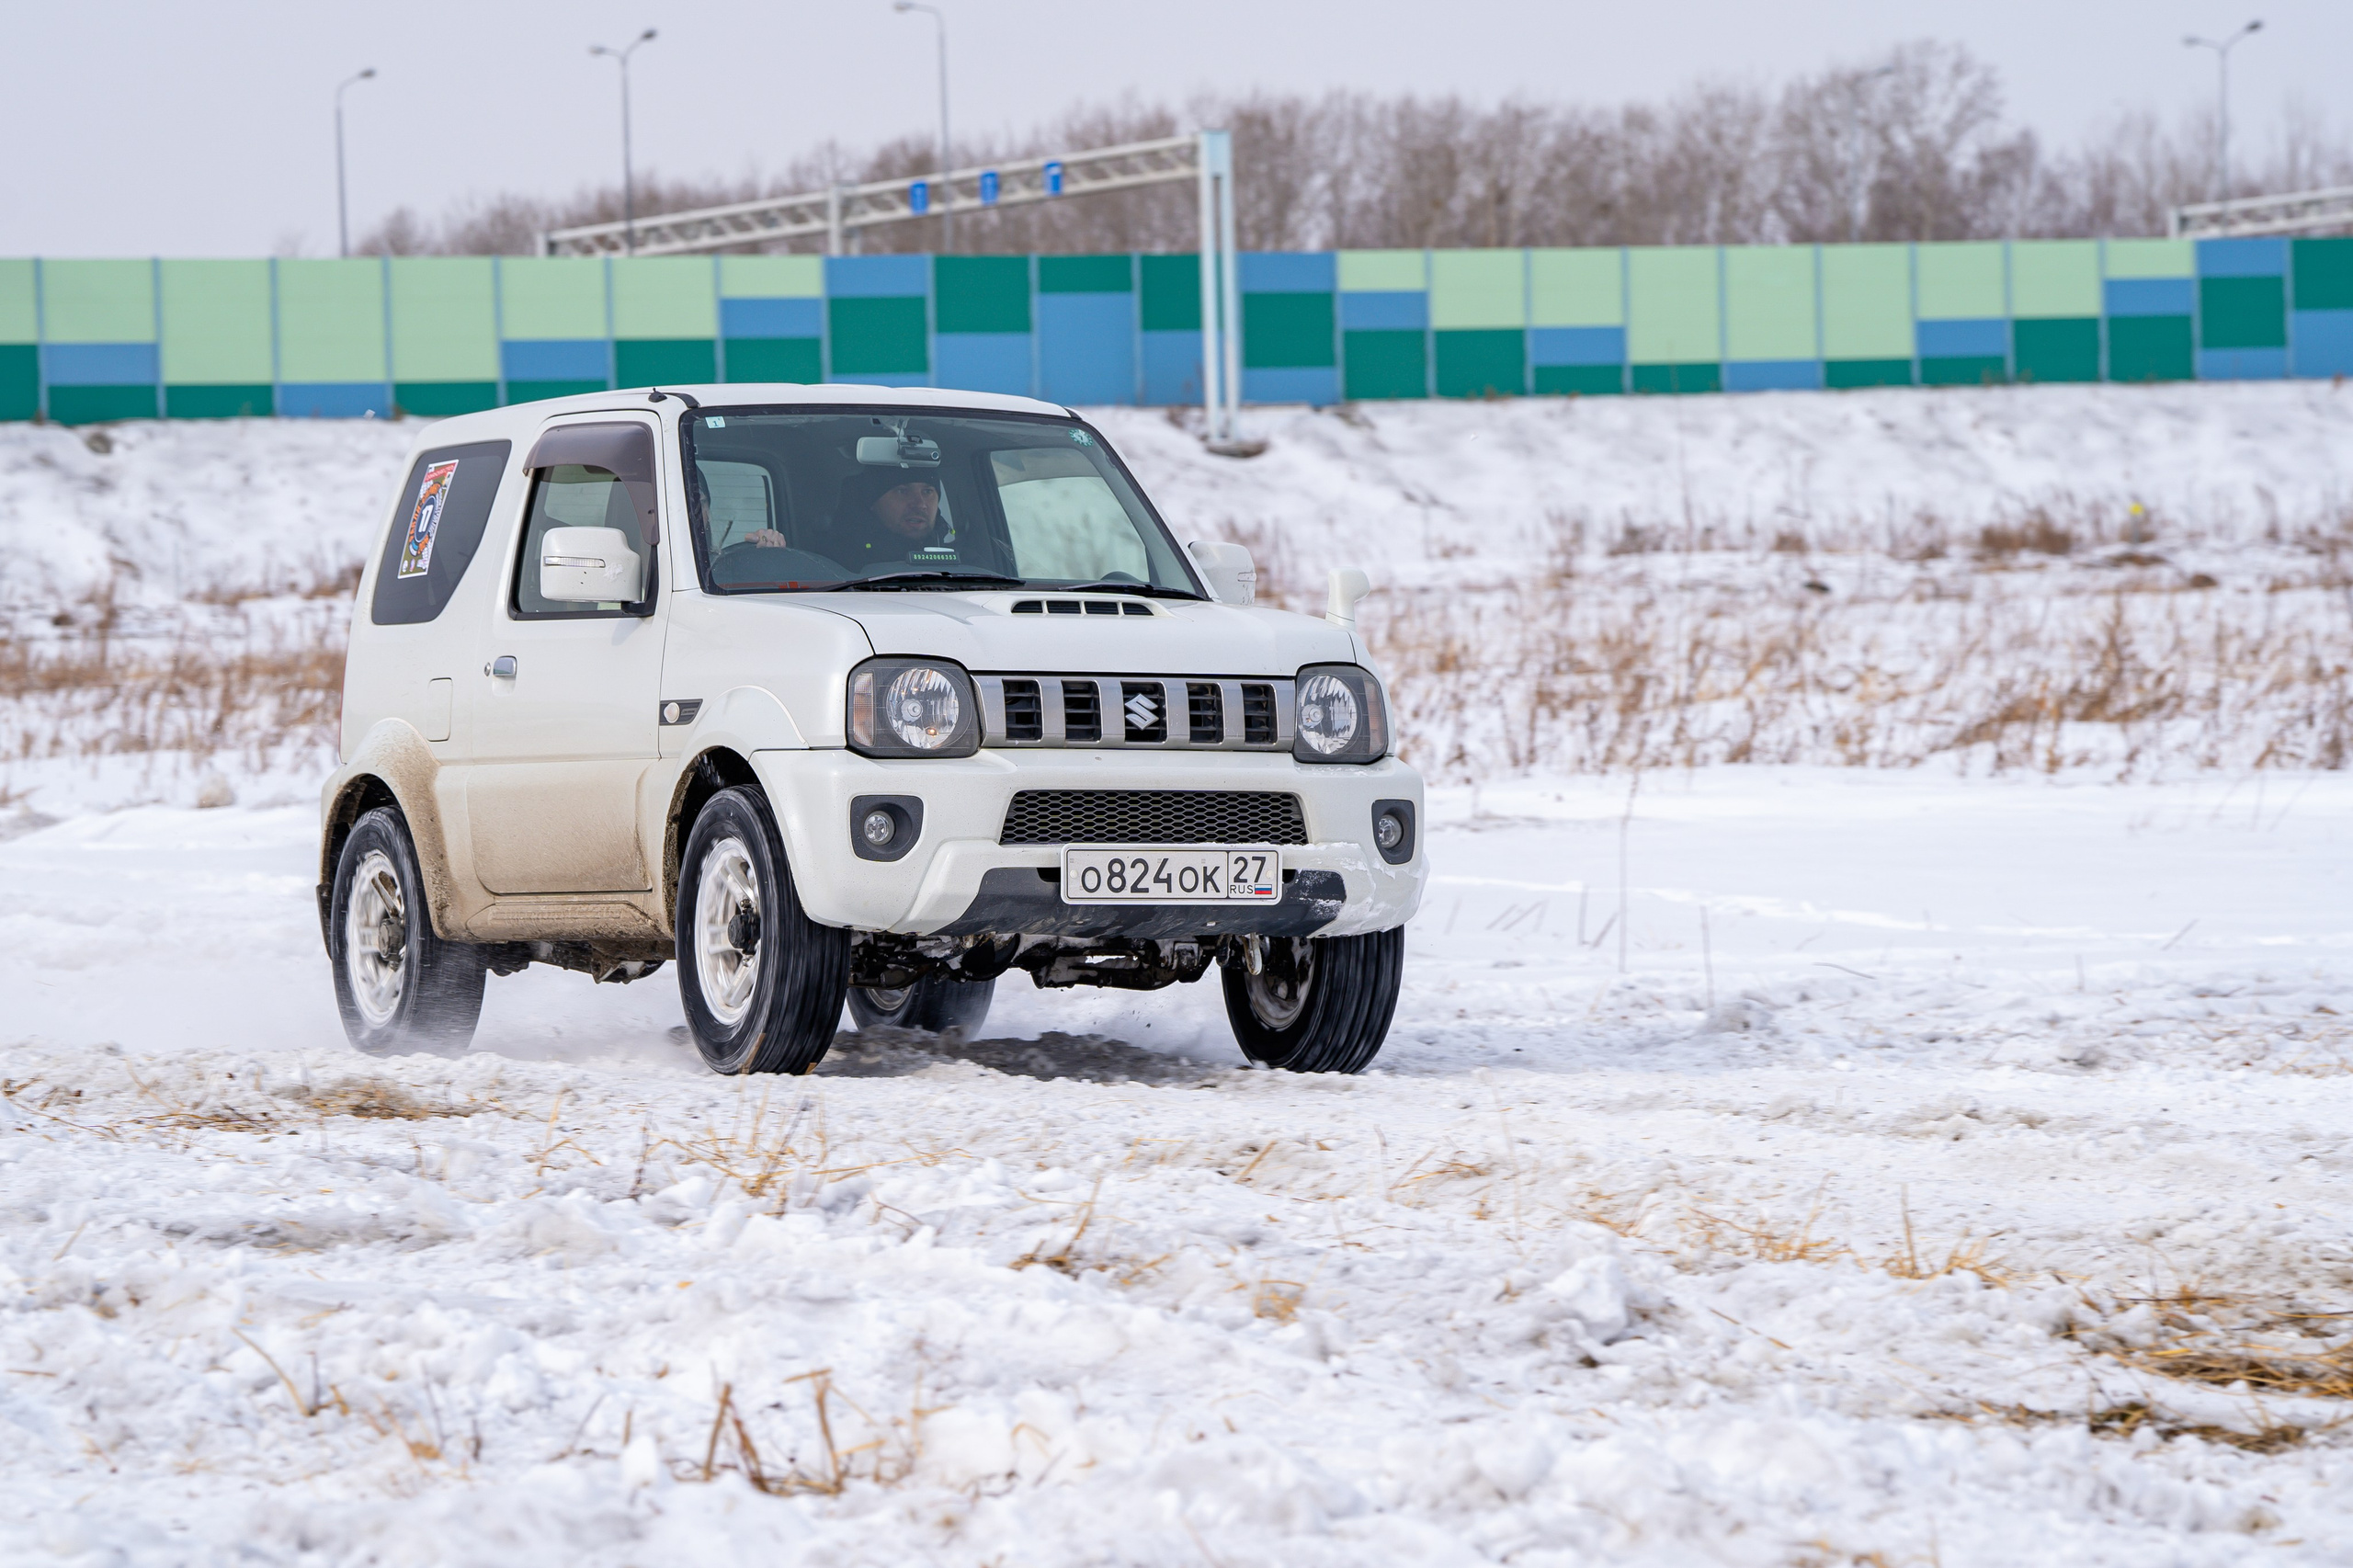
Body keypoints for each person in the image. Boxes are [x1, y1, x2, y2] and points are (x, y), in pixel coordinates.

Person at [830, 467, 952, 569]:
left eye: (927, 491)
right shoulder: (834, 564)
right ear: (873, 502)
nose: (920, 504)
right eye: (902, 491)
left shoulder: (962, 563)